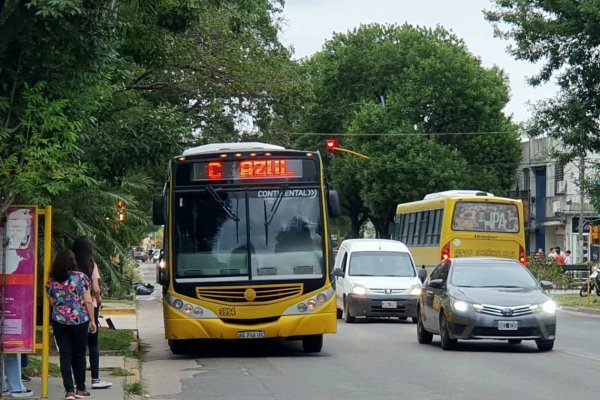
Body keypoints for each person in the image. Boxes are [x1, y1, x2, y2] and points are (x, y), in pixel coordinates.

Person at [47, 249, 96, 400]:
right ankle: (80, 388)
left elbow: (52, 302)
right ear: (73, 261)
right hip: (79, 320)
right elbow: (88, 300)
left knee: (65, 355)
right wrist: (92, 320)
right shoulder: (81, 277)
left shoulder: (52, 280)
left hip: (59, 321)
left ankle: (69, 390)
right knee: (79, 354)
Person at [72, 236, 113, 390]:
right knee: (93, 344)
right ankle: (95, 379)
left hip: (72, 309)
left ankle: (77, 380)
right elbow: (95, 288)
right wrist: (98, 297)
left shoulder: (70, 264)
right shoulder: (91, 265)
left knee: (77, 346)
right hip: (90, 308)